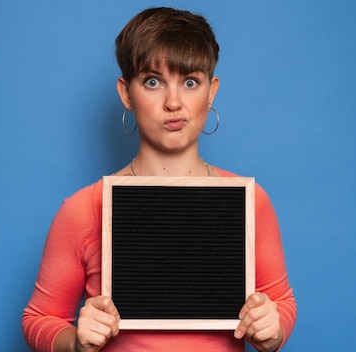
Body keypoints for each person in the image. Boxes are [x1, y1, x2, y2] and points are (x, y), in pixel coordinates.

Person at [22, 7, 296, 352]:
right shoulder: (84, 209)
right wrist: (75, 342)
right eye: (153, 82)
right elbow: (39, 318)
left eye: (190, 82)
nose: (173, 102)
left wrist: (273, 327)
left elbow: (281, 301)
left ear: (211, 92)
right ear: (126, 93)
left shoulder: (250, 201)